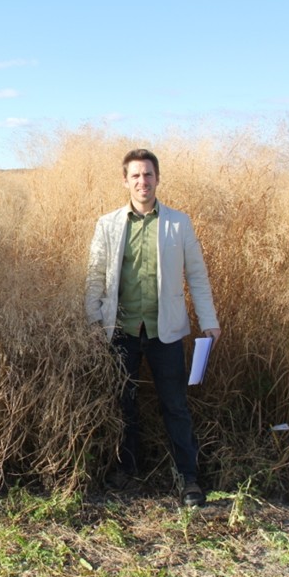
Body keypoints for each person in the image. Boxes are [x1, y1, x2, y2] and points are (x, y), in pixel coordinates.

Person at [85, 148, 221, 507]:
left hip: (166, 332)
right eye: (135, 176)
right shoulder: (109, 224)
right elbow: (95, 276)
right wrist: (93, 321)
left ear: (157, 179)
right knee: (124, 403)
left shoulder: (178, 223)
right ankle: (128, 471)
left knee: (175, 404)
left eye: (148, 175)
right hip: (122, 331)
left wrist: (208, 321)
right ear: (125, 180)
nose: (142, 182)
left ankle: (187, 478)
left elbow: (197, 276)